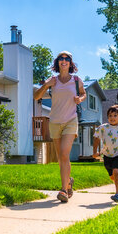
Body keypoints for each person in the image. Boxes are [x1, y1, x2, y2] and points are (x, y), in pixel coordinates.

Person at [34, 51, 86, 202]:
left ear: (70, 63)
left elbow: (84, 94)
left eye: (67, 59)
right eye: (61, 59)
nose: (64, 61)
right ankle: (68, 182)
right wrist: (47, 85)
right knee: (60, 158)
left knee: (64, 154)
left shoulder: (76, 80)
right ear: (57, 63)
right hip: (55, 121)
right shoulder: (53, 80)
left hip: (71, 120)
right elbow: (37, 96)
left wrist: (80, 99)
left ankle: (63, 190)